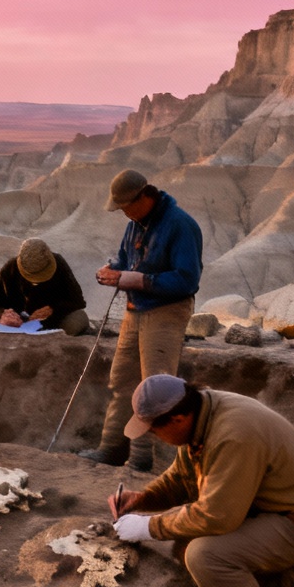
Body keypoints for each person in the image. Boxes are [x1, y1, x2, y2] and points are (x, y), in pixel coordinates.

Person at [106, 375, 294, 587]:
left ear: (177, 419)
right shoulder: (201, 412)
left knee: (205, 556)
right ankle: (289, 578)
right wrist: (143, 499)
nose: (154, 436)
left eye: (153, 430)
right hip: (272, 509)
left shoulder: (233, 435)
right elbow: (182, 479)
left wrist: (147, 527)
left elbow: (217, 516)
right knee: (185, 545)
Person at [82, 169, 203, 468]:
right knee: (123, 382)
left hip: (165, 312)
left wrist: (135, 280)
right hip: (135, 311)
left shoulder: (180, 225)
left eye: (126, 206)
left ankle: (144, 460)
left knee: (156, 389)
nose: (124, 214)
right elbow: (125, 258)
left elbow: (186, 279)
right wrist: (111, 270)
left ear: (145, 197)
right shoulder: (136, 224)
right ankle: (111, 448)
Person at [0, 238, 90, 335]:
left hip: (52, 321)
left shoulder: (59, 263)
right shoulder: (8, 270)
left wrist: (52, 308)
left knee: (78, 320)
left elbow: (78, 301)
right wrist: (1, 316)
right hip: (18, 325)